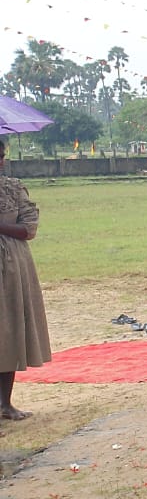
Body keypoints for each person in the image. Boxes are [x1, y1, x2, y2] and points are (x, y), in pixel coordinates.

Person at [0, 137, 51, 428]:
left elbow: (29, 228)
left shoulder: (13, 188)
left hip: (11, 266)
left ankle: (5, 403)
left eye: (1, 155)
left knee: (9, 330)